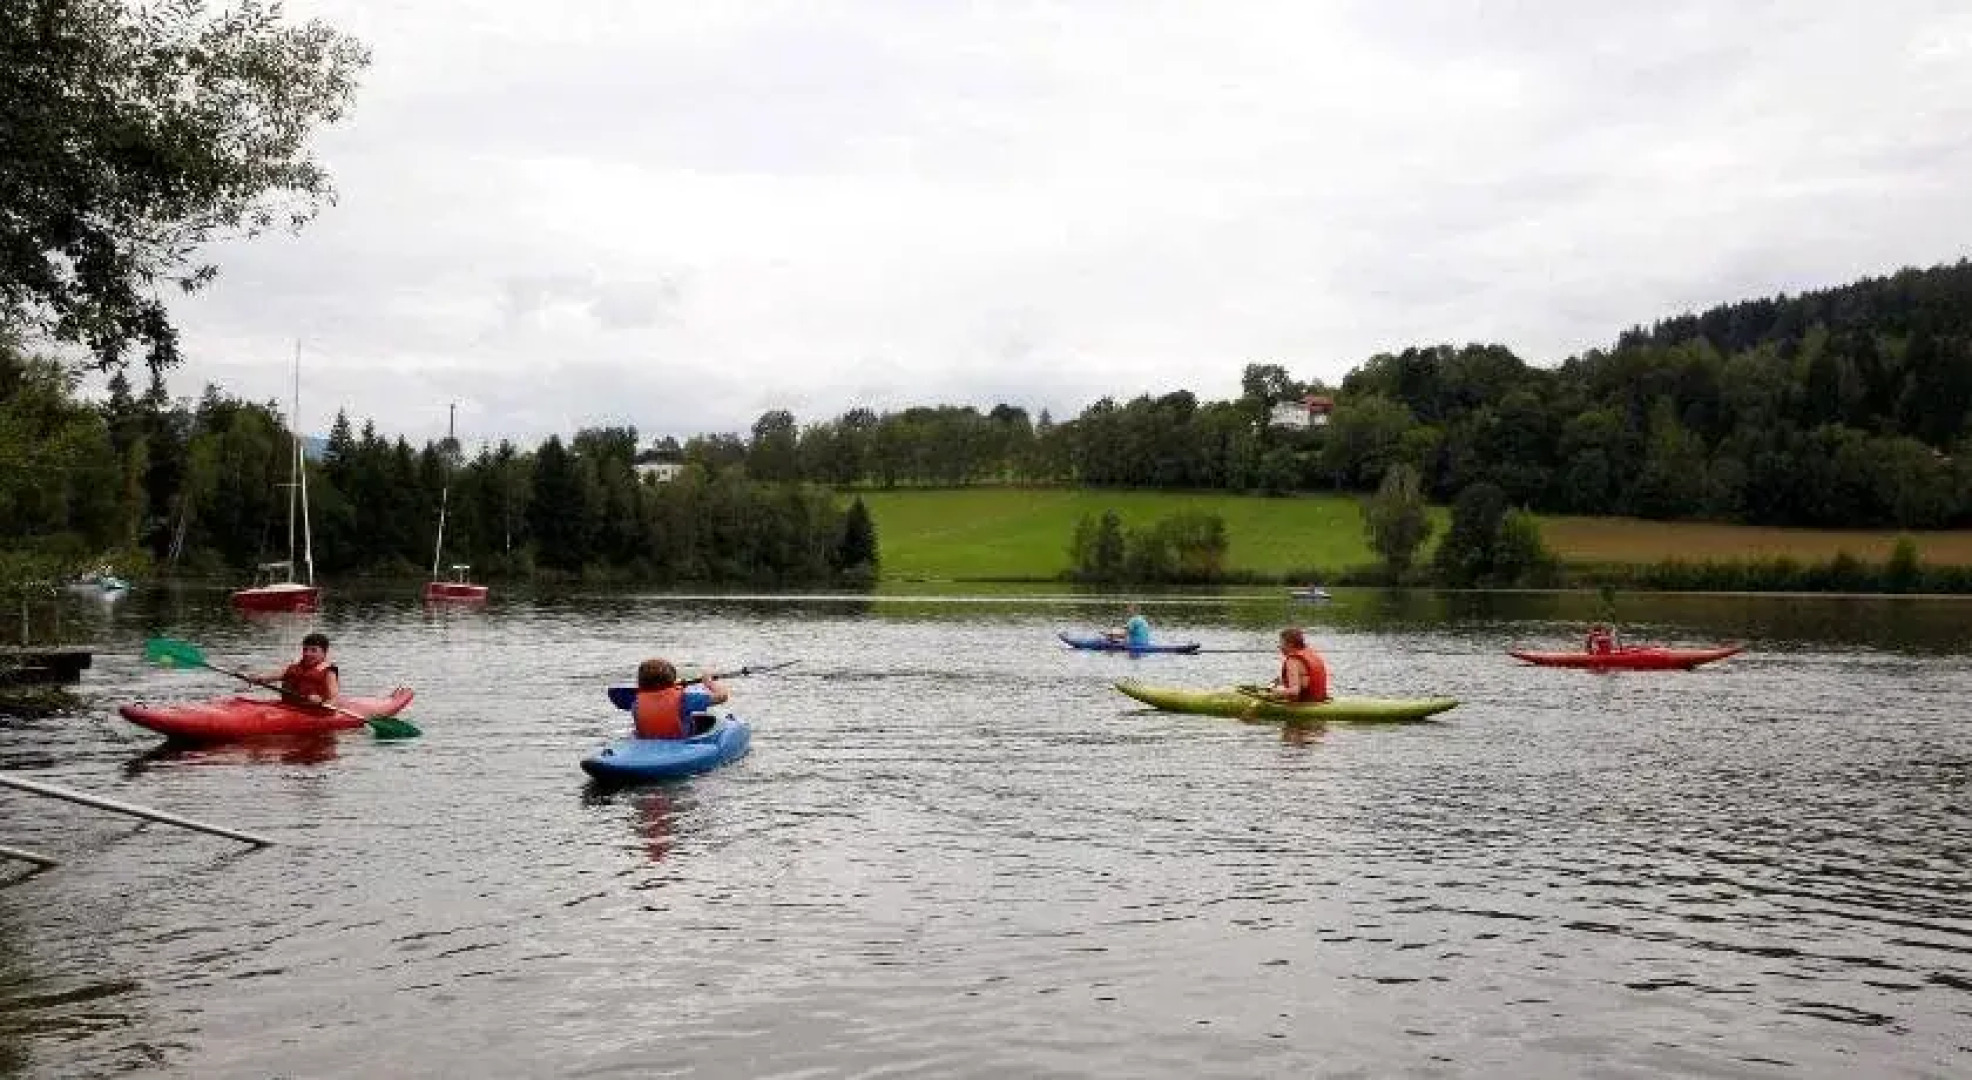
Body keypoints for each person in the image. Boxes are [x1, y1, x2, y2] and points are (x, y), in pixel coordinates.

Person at [631, 658, 729, 740]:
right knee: (703, 721)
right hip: (680, 743)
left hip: (647, 744)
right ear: (672, 680)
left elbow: (660, 704)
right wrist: (709, 683)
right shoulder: (684, 699)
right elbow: (722, 696)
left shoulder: (636, 703)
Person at [254, 632, 341, 704]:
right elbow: (276, 675)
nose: (307, 654)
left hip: (313, 711)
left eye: (313, 650)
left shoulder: (329, 672)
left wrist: (321, 701)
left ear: (324, 653)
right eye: (305, 650)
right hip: (287, 706)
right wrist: (260, 678)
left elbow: (334, 698)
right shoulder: (295, 668)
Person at [1263, 627, 1329, 703]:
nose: (1279, 647)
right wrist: (1281, 681)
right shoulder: (1309, 653)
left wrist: (1274, 693)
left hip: (1306, 703)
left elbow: (1294, 691)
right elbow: (1304, 678)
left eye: (1281, 643)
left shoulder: (1292, 661)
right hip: (1320, 700)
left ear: (1290, 644)